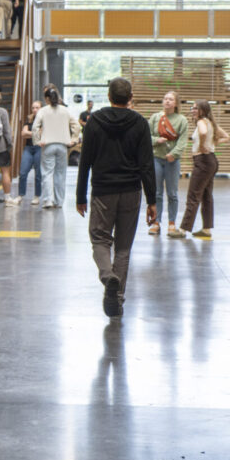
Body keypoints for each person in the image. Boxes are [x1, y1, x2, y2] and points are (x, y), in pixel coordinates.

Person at [75, 77, 157, 318]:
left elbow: (85, 161)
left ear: (109, 96)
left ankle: (107, 275)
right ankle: (117, 299)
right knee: (123, 248)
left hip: (103, 191)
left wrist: (80, 195)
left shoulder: (94, 121)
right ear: (130, 98)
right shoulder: (140, 123)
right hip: (131, 191)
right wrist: (152, 200)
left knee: (100, 240)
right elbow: (146, 165)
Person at [178, 100, 229, 240]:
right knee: (206, 196)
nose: (193, 110)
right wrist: (214, 142)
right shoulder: (211, 122)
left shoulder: (201, 122)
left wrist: (201, 145)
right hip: (211, 161)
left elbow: (203, 132)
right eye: (192, 108)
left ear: (203, 110)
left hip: (203, 161)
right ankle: (206, 229)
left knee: (193, 196)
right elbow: (226, 137)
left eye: (196, 108)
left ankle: (183, 229)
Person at [149, 91, 190, 238]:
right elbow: (146, 136)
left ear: (176, 103)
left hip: (172, 161)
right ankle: (156, 222)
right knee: (157, 193)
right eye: (165, 98)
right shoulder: (155, 118)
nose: (167, 101)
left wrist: (174, 154)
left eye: (170, 99)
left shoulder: (182, 120)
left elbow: (183, 141)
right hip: (156, 159)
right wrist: (156, 141)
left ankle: (172, 222)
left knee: (172, 193)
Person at [33, 87, 74, 209]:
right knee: (60, 174)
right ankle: (59, 201)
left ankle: (48, 201)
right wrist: (74, 139)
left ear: (46, 99)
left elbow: (35, 127)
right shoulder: (65, 110)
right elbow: (75, 125)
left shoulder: (43, 111)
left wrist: (37, 141)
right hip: (62, 146)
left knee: (47, 173)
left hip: (48, 145)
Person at [18, 100, 43, 205]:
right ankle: (20, 195)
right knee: (23, 172)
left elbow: (41, 134)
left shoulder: (43, 120)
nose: (34, 110)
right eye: (33, 108)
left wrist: (29, 133)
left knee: (38, 174)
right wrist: (34, 133)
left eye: (37, 107)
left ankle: (37, 196)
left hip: (39, 147)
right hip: (28, 148)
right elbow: (23, 134)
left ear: (41, 109)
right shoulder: (29, 118)